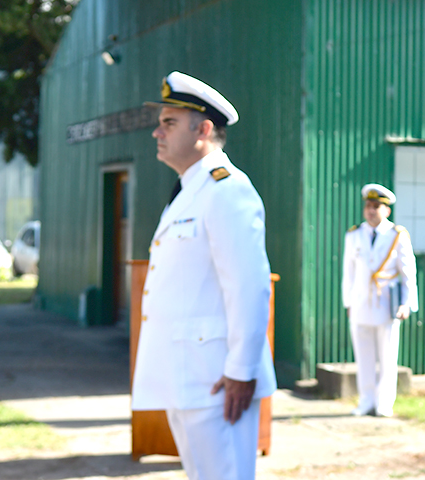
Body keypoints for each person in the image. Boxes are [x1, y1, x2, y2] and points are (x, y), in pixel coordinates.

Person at [131, 71, 276, 480]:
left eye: (169, 122)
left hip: (218, 380)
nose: (157, 132)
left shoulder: (227, 189)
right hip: (190, 376)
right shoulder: (188, 191)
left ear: (204, 129)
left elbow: (249, 286)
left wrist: (241, 371)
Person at [341, 184, 418, 417]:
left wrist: (406, 303)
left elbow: (408, 272)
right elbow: (348, 272)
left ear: (387, 210)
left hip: (387, 304)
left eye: (376, 206)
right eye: (368, 206)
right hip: (361, 303)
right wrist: (348, 303)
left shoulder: (397, 236)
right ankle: (365, 400)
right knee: (363, 356)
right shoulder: (354, 234)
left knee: (387, 356)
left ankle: (384, 403)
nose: (371, 211)